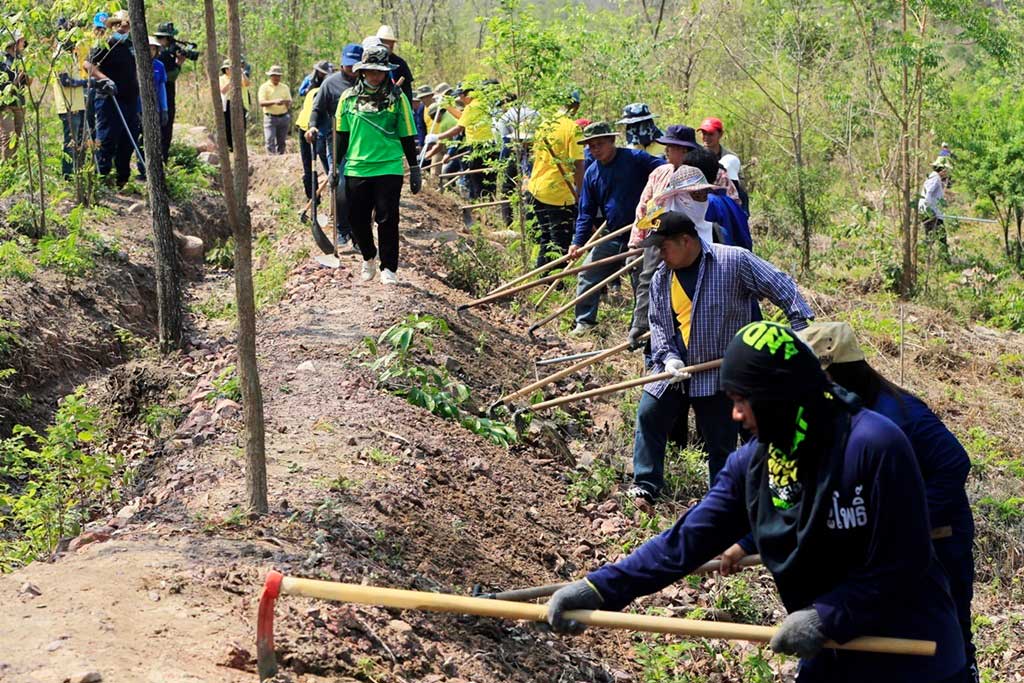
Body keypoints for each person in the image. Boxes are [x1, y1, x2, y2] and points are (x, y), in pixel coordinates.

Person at [548, 320, 966, 683]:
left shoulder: (873, 445)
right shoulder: (755, 464)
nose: (735, 415)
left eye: (742, 400)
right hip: (833, 654)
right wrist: (599, 589)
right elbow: (686, 541)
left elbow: (903, 563)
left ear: (779, 394)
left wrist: (829, 615)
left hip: (910, 652)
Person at [775, 322, 974, 681]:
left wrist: (904, 523)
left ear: (838, 372)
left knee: (949, 626)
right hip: (874, 539)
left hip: (940, 534)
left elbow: (954, 464)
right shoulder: (834, 417)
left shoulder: (902, 415)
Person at [626, 212, 812, 499]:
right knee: (650, 414)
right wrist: (668, 357)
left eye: (664, 247)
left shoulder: (733, 261)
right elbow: (659, 325)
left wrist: (800, 326)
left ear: (685, 241)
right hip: (675, 369)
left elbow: (781, 284)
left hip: (719, 372)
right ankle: (646, 485)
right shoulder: (661, 279)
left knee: (719, 440)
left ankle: (722, 498)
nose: (660, 255)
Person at [334, 44, 421, 285]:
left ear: (386, 72)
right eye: (371, 70)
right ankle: (369, 256)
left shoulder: (397, 98)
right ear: (362, 71)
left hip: (388, 167)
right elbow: (342, 134)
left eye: (380, 71)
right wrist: (334, 168)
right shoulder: (348, 98)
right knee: (356, 218)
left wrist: (414, 168)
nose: (375, 75)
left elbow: (406, 133)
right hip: (357, 166)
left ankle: (389, 268)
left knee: (387, 218)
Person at [567, 121, 664, 335]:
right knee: (588, 271)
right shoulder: (592, 173)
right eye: (591, 146)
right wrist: (577, 242)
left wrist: (656, 201)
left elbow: (665, 171)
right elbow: (586, 212)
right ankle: (584, 322)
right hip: (614, 233)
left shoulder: (635, 159)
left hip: (643, 232)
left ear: (612, 141)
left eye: (599, 144)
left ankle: (645, 328)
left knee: (642, 280)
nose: (595, 150)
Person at [526, 93, 584, 267]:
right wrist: (580, 194)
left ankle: (541, 277)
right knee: (559, 242)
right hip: (559, 194)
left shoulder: (545, 124)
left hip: (537, 188)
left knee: (546, 237)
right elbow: (578, 164)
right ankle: (554, 283)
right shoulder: (572, 128)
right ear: (576, 106)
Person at [85, 11, 141, 187]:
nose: (123, 27)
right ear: (112, 26)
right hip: (109, 99)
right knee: (107, 139)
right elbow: (88, 64)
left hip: (130, 100)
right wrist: (105, 79)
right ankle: (102, 179)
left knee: (128, 139)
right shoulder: (106, 44)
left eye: (126, 25)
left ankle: (122, 179)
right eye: (119, 24)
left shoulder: (132, 46)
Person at [434, 82, 496, 199]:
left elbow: (458, 128)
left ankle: (480, 206)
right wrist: (447, 106)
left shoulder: (472, 107)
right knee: (487, 180)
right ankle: (485, 203)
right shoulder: (480, 104)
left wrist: (438, 137)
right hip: (488, 145)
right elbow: (463, 118)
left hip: (479, 146)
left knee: (477, 179)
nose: (460, 99)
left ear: (468, 94)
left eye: (461, 96)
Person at [296, 60, 332, 217]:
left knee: (327, 165)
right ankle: (313, 201)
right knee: (309, 167)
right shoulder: (312, 88)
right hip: (306, 129)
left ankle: (334, 197)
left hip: (321, 132)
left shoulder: (329, 89)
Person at [154, 22, 196, 159]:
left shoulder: (166, 53)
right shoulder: (161, 55)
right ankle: (160, 159)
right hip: (162, 95)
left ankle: (162, 159)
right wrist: (178, 64)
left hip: (167, 95)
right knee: (164, 129)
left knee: (165, 129)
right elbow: (169, 77)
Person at [53, 32, 89, 178]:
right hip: (68, 106)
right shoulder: (60, 56)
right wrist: (85, 82)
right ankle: (68, 175)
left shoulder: (72, 55)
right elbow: (65, 81)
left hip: (78, 105)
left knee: (80, 141)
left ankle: (78, 173)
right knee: (70, 142)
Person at [699, 116, 748, 211]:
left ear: (720, 134)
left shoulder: (730, 156)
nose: (706, 138)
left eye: (710, 134)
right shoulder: (696, 154)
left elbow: (739, 182)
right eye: (704, 134)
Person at [1, 31, 30, 162]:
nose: (24, 44)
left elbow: (28, 83)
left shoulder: (20, 60)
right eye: (22, 40)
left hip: (19, 103)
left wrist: (28, 72)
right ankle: (6, 173)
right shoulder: (3, 60)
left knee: (16, 139)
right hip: (4, 105)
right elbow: (4, 86)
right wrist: (16, 80)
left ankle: (14, 168)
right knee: (7, 137)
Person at [919, 157, 951, 258]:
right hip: (931, 213)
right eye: (946, 170)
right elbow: (928, 193)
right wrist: (929, 211)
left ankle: (929, 258)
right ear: (942, 170)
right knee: (939, 236)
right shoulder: (935, 178)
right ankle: (941, 259)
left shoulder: (934, 178)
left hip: (933, 212)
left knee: (935, 236)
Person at [219, 60, 251, 153]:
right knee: (228, 126)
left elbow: (247, 83)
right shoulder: (222, 78)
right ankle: (230, 148)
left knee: (242, 125)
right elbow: (223, 90)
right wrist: (232, 80)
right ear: (226, 69)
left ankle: (240, 147)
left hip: (240, 103)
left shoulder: (240, 77)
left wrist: (242, 73)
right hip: (227, 104)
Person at [375, 25, 413, 103]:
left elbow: (407, 91)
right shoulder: (369, 62)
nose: (388, 47)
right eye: (385, 43)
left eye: (391, 44)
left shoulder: (400, 64)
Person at [258, 65, 291, 155]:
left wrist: (284, 102)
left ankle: (281, 159)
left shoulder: (285, 87)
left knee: (281, 142)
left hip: (283, 116)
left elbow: (289, 101)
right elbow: (261, 102)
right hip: (270, 117)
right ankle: (271, 160)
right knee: (269, 140)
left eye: (278, 76)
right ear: (270, 76)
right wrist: (274, 102)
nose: (276, 77)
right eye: (274, 75)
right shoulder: (264, 87)